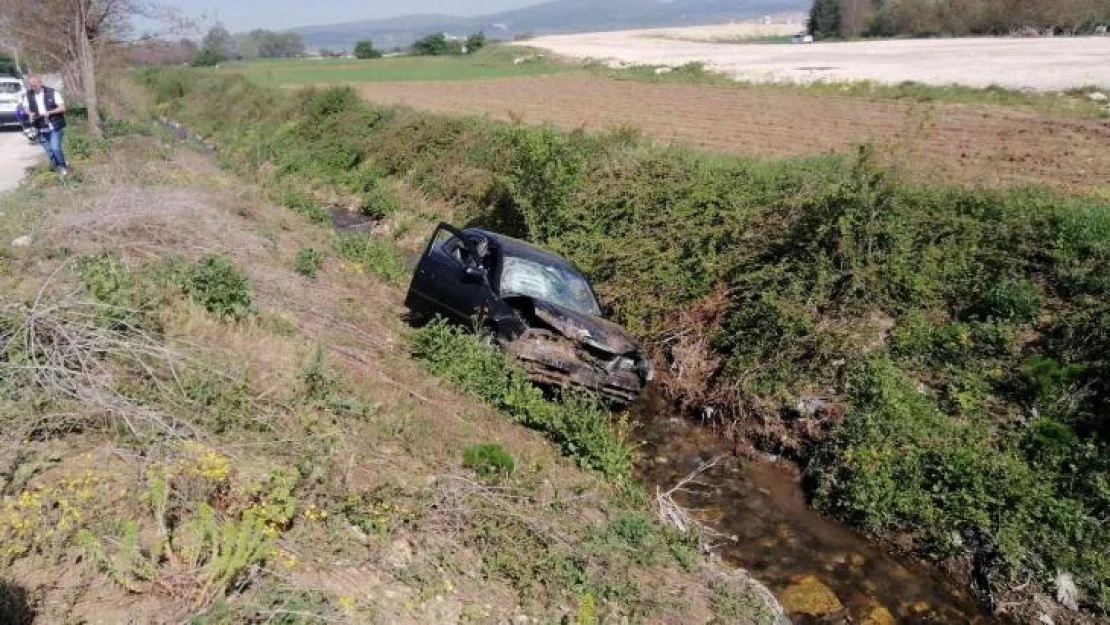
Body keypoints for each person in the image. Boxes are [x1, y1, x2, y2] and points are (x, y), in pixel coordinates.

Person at [22, 75, 69, 177]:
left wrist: (50, 112)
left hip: (54, 125)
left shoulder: (52, 93)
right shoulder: (28, 95)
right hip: (40, 127)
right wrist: (29, 113)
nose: (33, 88)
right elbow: (25, 108)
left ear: (40, 83)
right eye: (31, 86)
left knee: (55, 148)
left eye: (34, 85)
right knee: (49, 151)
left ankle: (63, 167)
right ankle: (56, 167)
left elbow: (62, 108)